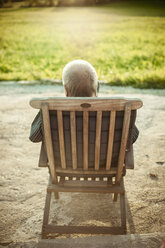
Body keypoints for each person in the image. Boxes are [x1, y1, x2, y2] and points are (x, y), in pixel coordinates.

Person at [29, 59, 139, 167]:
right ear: (96, 88)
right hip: (105, 166)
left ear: (66, 89)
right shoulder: (117, 112)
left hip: (66, 166)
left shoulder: (50, 109)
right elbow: (131, 137)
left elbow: (34, 137)